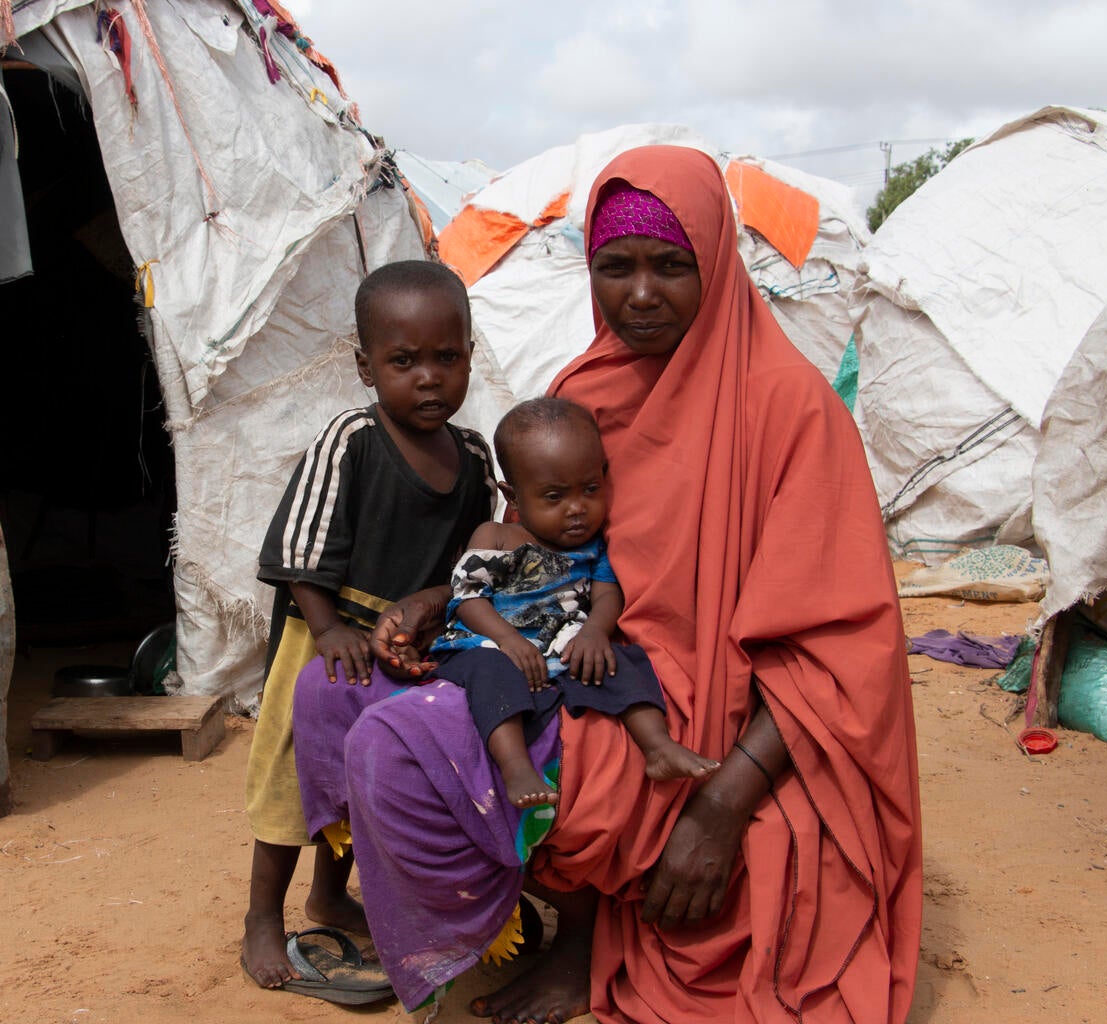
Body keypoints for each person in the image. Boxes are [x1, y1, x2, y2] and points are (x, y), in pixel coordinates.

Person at [335, 145, 923, 1023]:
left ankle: (582, 930)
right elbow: (525, 540)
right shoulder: (586, 392)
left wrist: (723, 805)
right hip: (583, 667)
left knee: (482, 755)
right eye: (615, 267)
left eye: (670, 266)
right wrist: (429, 602)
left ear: (716, 263)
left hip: (722, 725)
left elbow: (840, 651)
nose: (640, 293)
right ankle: (573, 926)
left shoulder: (790, 409)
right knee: (357, 710)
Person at [240, 260, 497, 999]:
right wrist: (326, 631)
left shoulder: (474, 456)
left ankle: (328, 897)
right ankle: (263, 915)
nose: (428, 379)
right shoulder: (351, 439)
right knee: (294, 773)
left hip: (409, 651)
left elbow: (475, 559)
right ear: (365, 365)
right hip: (326, 638)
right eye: (403, 361)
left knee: (370, 772)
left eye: (446, 358)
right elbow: (296, 551)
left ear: (470, 357)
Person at [424, 397, 718, 808]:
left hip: (562, 639)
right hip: (489, 642)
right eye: (554, 497)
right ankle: (515, 767)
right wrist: (508, 640)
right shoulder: (494, 536)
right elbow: (469, 596)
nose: (577, 508)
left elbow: (606, 592)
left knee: (621, 660)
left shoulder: (594, 546)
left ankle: (657, 746)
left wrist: (597, 630)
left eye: (591, 489)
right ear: (514, 496)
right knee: (489, 676)